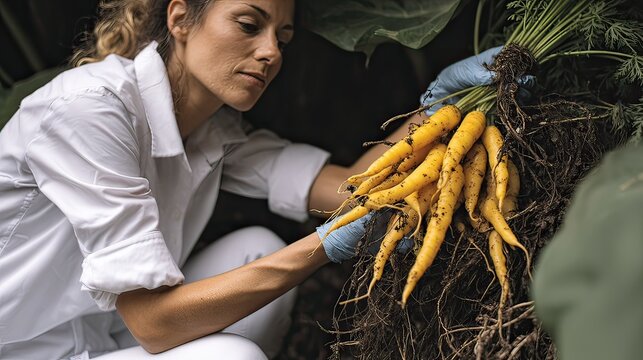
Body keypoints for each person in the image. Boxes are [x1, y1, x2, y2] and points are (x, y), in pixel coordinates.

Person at [0, 0, 501, 359]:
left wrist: (438, 105)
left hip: (105, 335)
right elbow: (153, 324)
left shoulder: (214, 131)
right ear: (179, 19)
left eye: (281, 38)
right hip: (27, 348)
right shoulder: (91, 110)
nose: (271, 53)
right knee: (231, 357)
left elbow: (351, 184)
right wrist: (322, 246)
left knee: (258, 247)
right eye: (248, 24)